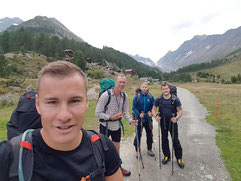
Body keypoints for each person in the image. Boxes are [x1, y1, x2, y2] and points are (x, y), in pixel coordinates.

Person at [0, 61, 124, 181]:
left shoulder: (104, 148)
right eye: (52, 102)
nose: (64, 116)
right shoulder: (8, 157)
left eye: (74, 101)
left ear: (86, 102)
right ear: (38, 104)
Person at [95, 74, 135, 176]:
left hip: (117, 126)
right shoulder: (106, 95)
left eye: (124, 82)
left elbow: (125, 112)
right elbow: (97, 113)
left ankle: (118, 168)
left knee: (116, 148)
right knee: (103, 148)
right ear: (115, 82)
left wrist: (130, 120)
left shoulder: (124, 96)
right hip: (105, 126)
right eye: (120, 82)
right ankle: (102, 170)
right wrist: (110, 117)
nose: (122, 84)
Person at [152, 83, 185, 169]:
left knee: (175, 140)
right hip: (163, 122)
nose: (165, 90)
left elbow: (180, 111)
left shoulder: (175, 99)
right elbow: (154, 109)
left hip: (172, 121)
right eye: (163, 89)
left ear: (169, 89)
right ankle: (167, 156)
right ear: (161, 90)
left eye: (166, 89)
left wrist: (176, 118)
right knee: (164, 139)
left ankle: (179, 158)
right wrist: (155, 116)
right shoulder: (159, 99)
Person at [132, 81, 155, 157]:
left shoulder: (151, 97)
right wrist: (139, 114)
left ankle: (149, 149)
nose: (144, 88)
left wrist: (151, 112)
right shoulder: (137, 97)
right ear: (140, 88)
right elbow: (133, 108)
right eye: (143, 87)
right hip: (139, 119)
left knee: (149, 134)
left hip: (148, 119)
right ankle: (137, 150)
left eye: (146, 87)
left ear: (148, 88)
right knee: (138, 134)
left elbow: (153, 107)